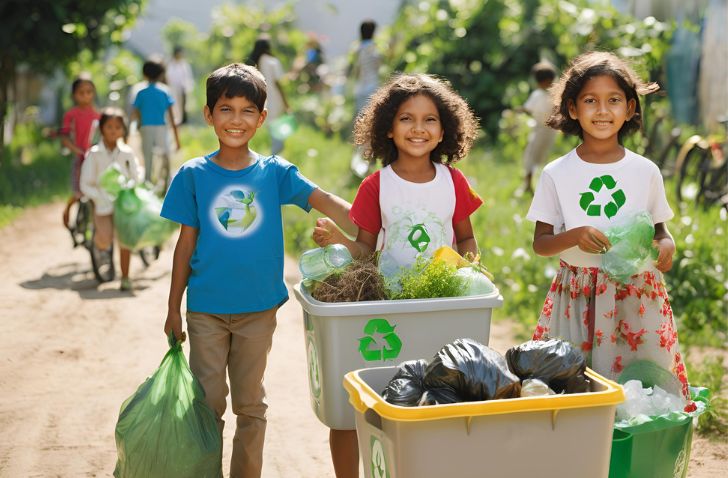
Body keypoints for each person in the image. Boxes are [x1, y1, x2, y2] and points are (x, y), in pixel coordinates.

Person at [160, 63, 357, 478]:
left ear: (262, 117)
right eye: (226, 109)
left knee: (250, 404)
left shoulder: (274, 172)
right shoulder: (193, 175)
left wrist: (370, 225)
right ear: (209, 114)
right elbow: (185, 246)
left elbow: (324, 200)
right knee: (208, 402)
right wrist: (173, 308)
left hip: (258, 309)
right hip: (206, 310)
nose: (236, 120)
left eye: (247, 110)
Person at [312, 73, 482, 478]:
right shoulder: (377, 186)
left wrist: (472, 272)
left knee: (439, 395)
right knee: (375, 393)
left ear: (445, 130)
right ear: (388, 126)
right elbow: (365, 254)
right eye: (407, 118)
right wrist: (337, 239)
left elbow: (467, 238)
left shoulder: (453, 182)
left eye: (429, 119)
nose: (418, 129)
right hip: (389, 305)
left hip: (441, 303)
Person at [525, 51, 690, 399]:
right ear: (572, 109)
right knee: (575, 385)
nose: (602, 111)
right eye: (590, 101)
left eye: (614, 100)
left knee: (642, 383)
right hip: (578, 293)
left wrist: (667, 245)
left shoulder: (645, 171)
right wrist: (573, 236)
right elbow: (541, 243)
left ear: (630, 108)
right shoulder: (557, 173)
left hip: (636, 293)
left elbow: (661, 230)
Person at [79, 107, 142, 291]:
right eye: (109, 126)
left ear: (123, 129)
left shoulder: (127, 153)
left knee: (125, 241)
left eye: (118, 126)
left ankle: (125, 277)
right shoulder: (94, 153)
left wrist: (130, 187)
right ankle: (97, 244)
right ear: (102, 128)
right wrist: (99, 196)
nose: (113, 130)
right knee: (105, 240)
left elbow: (135, 175)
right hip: (101, 204)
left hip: (124, 204)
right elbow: (86, 183)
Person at [131, 58, 181, 185]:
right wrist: (177, 139)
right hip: (161, 127)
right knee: (165, 155)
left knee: (147, 156)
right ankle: (167, 181)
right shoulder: (165, 91)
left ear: (144, 74)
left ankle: (147, 182)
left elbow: (135, 112)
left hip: (145, 127)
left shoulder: (140, 92)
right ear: (161, 74)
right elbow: (171, 115)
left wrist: (137, 126)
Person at [60, 75, 100, 228]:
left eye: (89, 92)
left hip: (95, 160)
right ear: (74, 95)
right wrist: (79, 151)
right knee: (79, 193)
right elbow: (64, 138)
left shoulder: (99, 115)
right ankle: (68, 208)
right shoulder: (71, 114)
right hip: (80, 159)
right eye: (81, 92)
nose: (85, 96)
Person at [517, 60, 558, 195]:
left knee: (530, 157)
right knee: (542, 158)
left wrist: (518, 110)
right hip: (551, 132)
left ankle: (528, 185)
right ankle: (535, 186)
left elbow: (528, 108)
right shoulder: (555, 95)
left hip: (540, 130)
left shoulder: (538, 94)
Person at [247, 36, 290, 155]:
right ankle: (275, 157)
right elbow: (278, 83)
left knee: (272, 130)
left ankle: (273, 156)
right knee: (278, 133)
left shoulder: (255, 63)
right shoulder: (272, 61)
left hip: (261, 100)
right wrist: (286, 103)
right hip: (275, 99)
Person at [349, 19, 382, 117]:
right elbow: (377, 66)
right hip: (372, 85)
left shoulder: (357, 49)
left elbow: (356, 70)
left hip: (360, 87)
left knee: (360, 117)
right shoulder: (374, 49)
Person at [166, 45, 195, 125]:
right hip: (171, 88)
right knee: (173, 104)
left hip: (181, 88)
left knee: (181, 105)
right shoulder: (169, 64)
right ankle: (172, 120)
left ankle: (180, 121)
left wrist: (187, 88)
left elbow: (187, 77)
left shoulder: (184, 64)